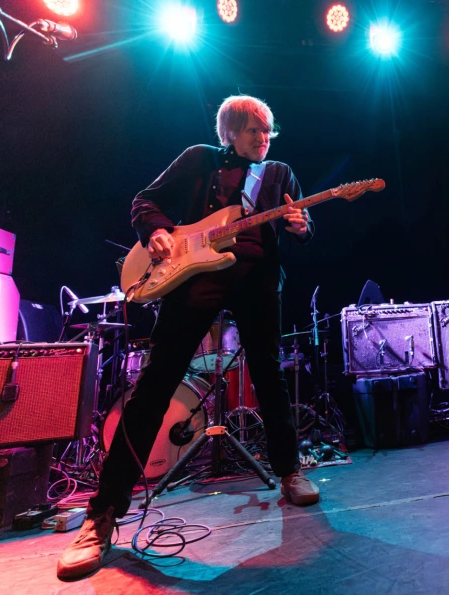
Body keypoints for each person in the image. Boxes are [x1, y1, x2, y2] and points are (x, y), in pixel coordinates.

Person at [57, 95, 319, 580]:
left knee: (270, 376)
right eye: (254, 132)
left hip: (258, 283)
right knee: (154, 386)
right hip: (196, 278)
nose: (264, 139)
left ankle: (288, 470)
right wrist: (156, 230)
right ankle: (102, 514)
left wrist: (302, 226)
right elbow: (145, 201)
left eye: (268, 132)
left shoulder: (280, 174)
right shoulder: (199, 159)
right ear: (230, 134)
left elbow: (300, 228)